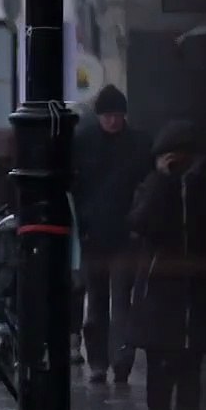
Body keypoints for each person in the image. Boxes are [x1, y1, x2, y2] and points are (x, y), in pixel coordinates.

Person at [126, 120, 206, 410]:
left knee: (191, 374)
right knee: (160, 372)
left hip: (198, 294)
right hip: (162, 292)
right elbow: (139, 223)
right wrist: (163, 181)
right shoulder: (154, 186)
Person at [72, 84, 151, 384]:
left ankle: (117, 361)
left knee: (117, 301)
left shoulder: (136, 145)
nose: (113, 121)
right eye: (108, 115)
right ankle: (100, 361)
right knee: (100, 303)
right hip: (95, 236)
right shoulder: (85, 143)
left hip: (121, 235)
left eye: (117, 115)